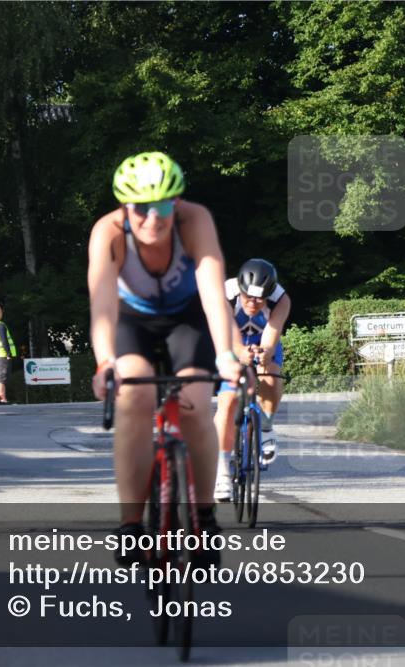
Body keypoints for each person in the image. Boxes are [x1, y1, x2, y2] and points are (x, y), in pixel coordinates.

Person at [87, 151, 242, 565]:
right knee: (132, 397)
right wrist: (105, 363)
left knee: (195, 401)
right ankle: (131, 525)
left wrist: (226, 354)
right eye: (141, 208)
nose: (152, 219)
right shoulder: (108, 233)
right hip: (132, 320)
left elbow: (213, 294)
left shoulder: (196, 221)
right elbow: (102, 307)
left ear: (177, 202)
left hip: (185, 318)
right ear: (125, 207)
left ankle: (205, 516)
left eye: (162, 207)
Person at [213, 259, 290, 501]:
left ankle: (266, 427)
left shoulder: (281, 299)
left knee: (271, 375)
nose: (252, 303)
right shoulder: (225, 293)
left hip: (262, 340)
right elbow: (228, 334)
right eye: (248, 297)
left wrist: (265, 353)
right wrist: (239, 352)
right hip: (230, 341)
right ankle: (222, 473)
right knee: (227, 401)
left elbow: (271, 336)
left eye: (259, 299)